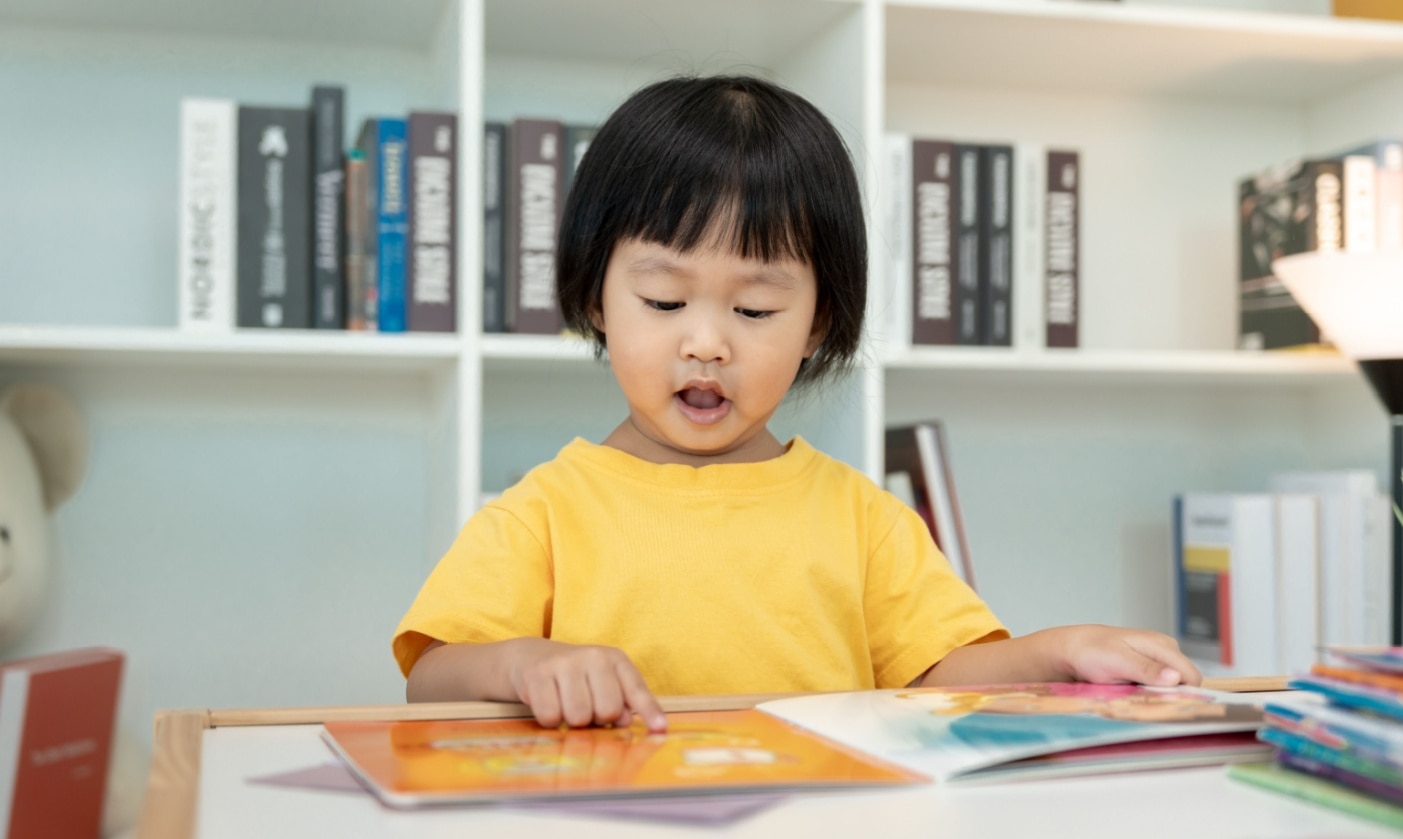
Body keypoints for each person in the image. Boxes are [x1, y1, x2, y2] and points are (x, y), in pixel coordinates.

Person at [394, 75, 1201, 732]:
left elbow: (941, 676)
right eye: (665, 300)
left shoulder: (863, 517)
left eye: (754, 312)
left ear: (818, 322)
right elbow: (431, 679)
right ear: (598, 299)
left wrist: (1062, 652)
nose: (707, 343)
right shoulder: (543, 512)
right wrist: (524, 665)